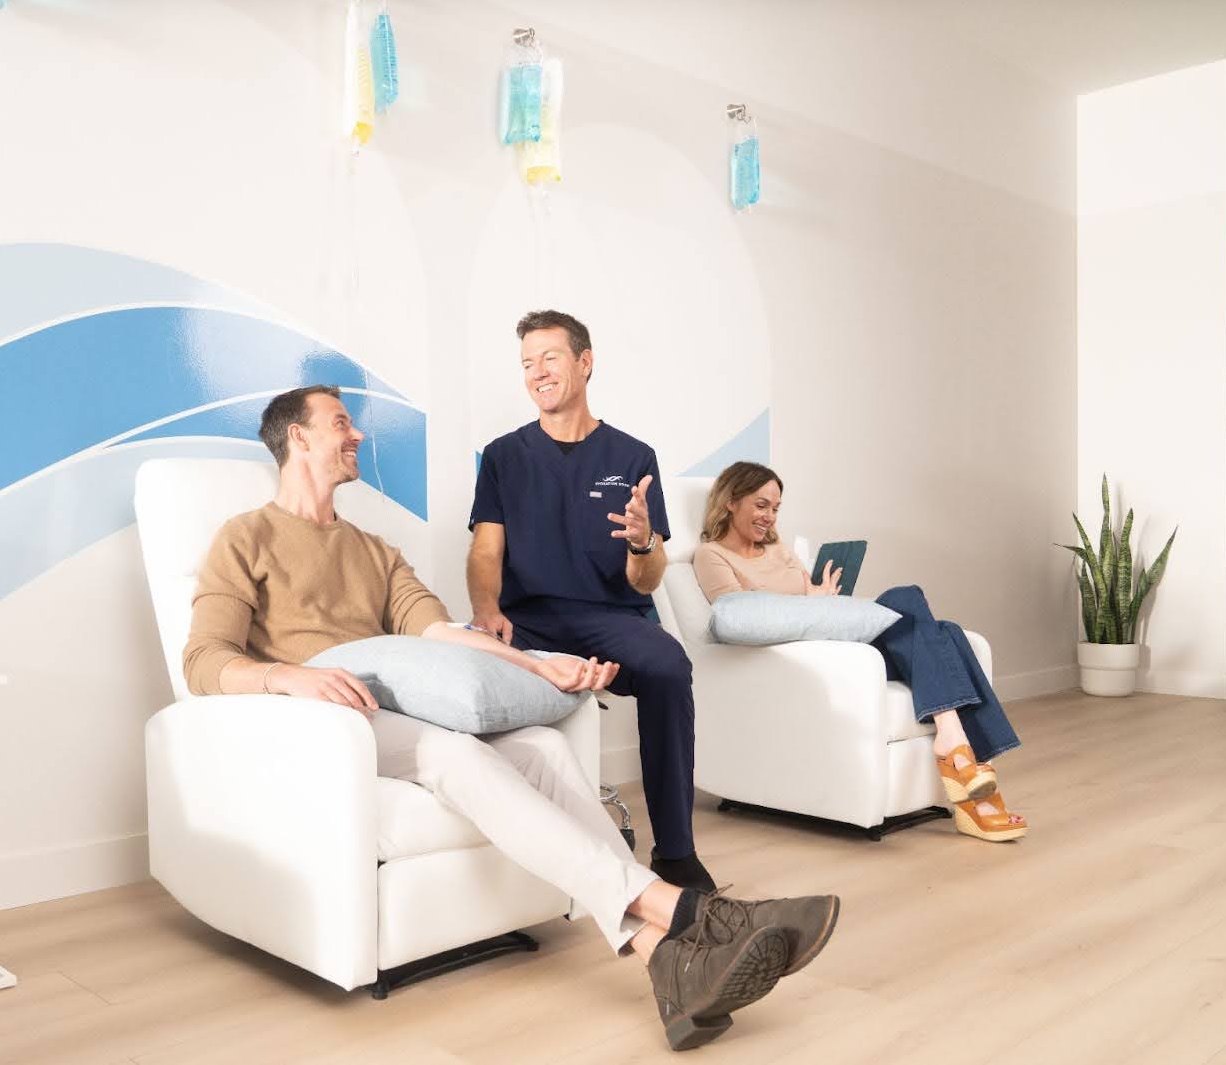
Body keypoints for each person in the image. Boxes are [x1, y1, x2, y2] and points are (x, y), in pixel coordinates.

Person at [182, 386, 840, 1051]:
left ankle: (663, 960)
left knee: (542, 747)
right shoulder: (246, 537)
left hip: (389, 709)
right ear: (298, 437)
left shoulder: (374, 550)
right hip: (322, 727)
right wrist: (292, 676)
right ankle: (697, 916)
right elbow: (205, 660)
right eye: (340, 423)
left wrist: (537, 665)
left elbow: (437, 631)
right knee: (460, 756)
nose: (356, 436)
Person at [466, 311, 715, 893]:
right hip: (527, 620)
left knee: (669, 667)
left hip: (611, 618)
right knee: (466, 666)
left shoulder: (632, 457)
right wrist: (486, 610)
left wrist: (643, 540)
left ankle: (675, 852)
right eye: (527, 363)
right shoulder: (503, 456)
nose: (537, 372)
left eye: (549, 357)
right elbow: (485, 552)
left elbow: (647, 581)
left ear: (585, 360)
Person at [692, 461, 1027, 842]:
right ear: (732, 501)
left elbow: (807, 598)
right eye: (761, 505)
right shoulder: (711, 555)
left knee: (927, 617)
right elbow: (740, 617)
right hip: (804, 661)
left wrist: (820, 598)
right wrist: (811, 599)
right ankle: (969, 767)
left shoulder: (779, 550)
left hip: (844, 652)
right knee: (921, 613)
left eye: (776, 508)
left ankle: (956, 747)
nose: (770, 517)